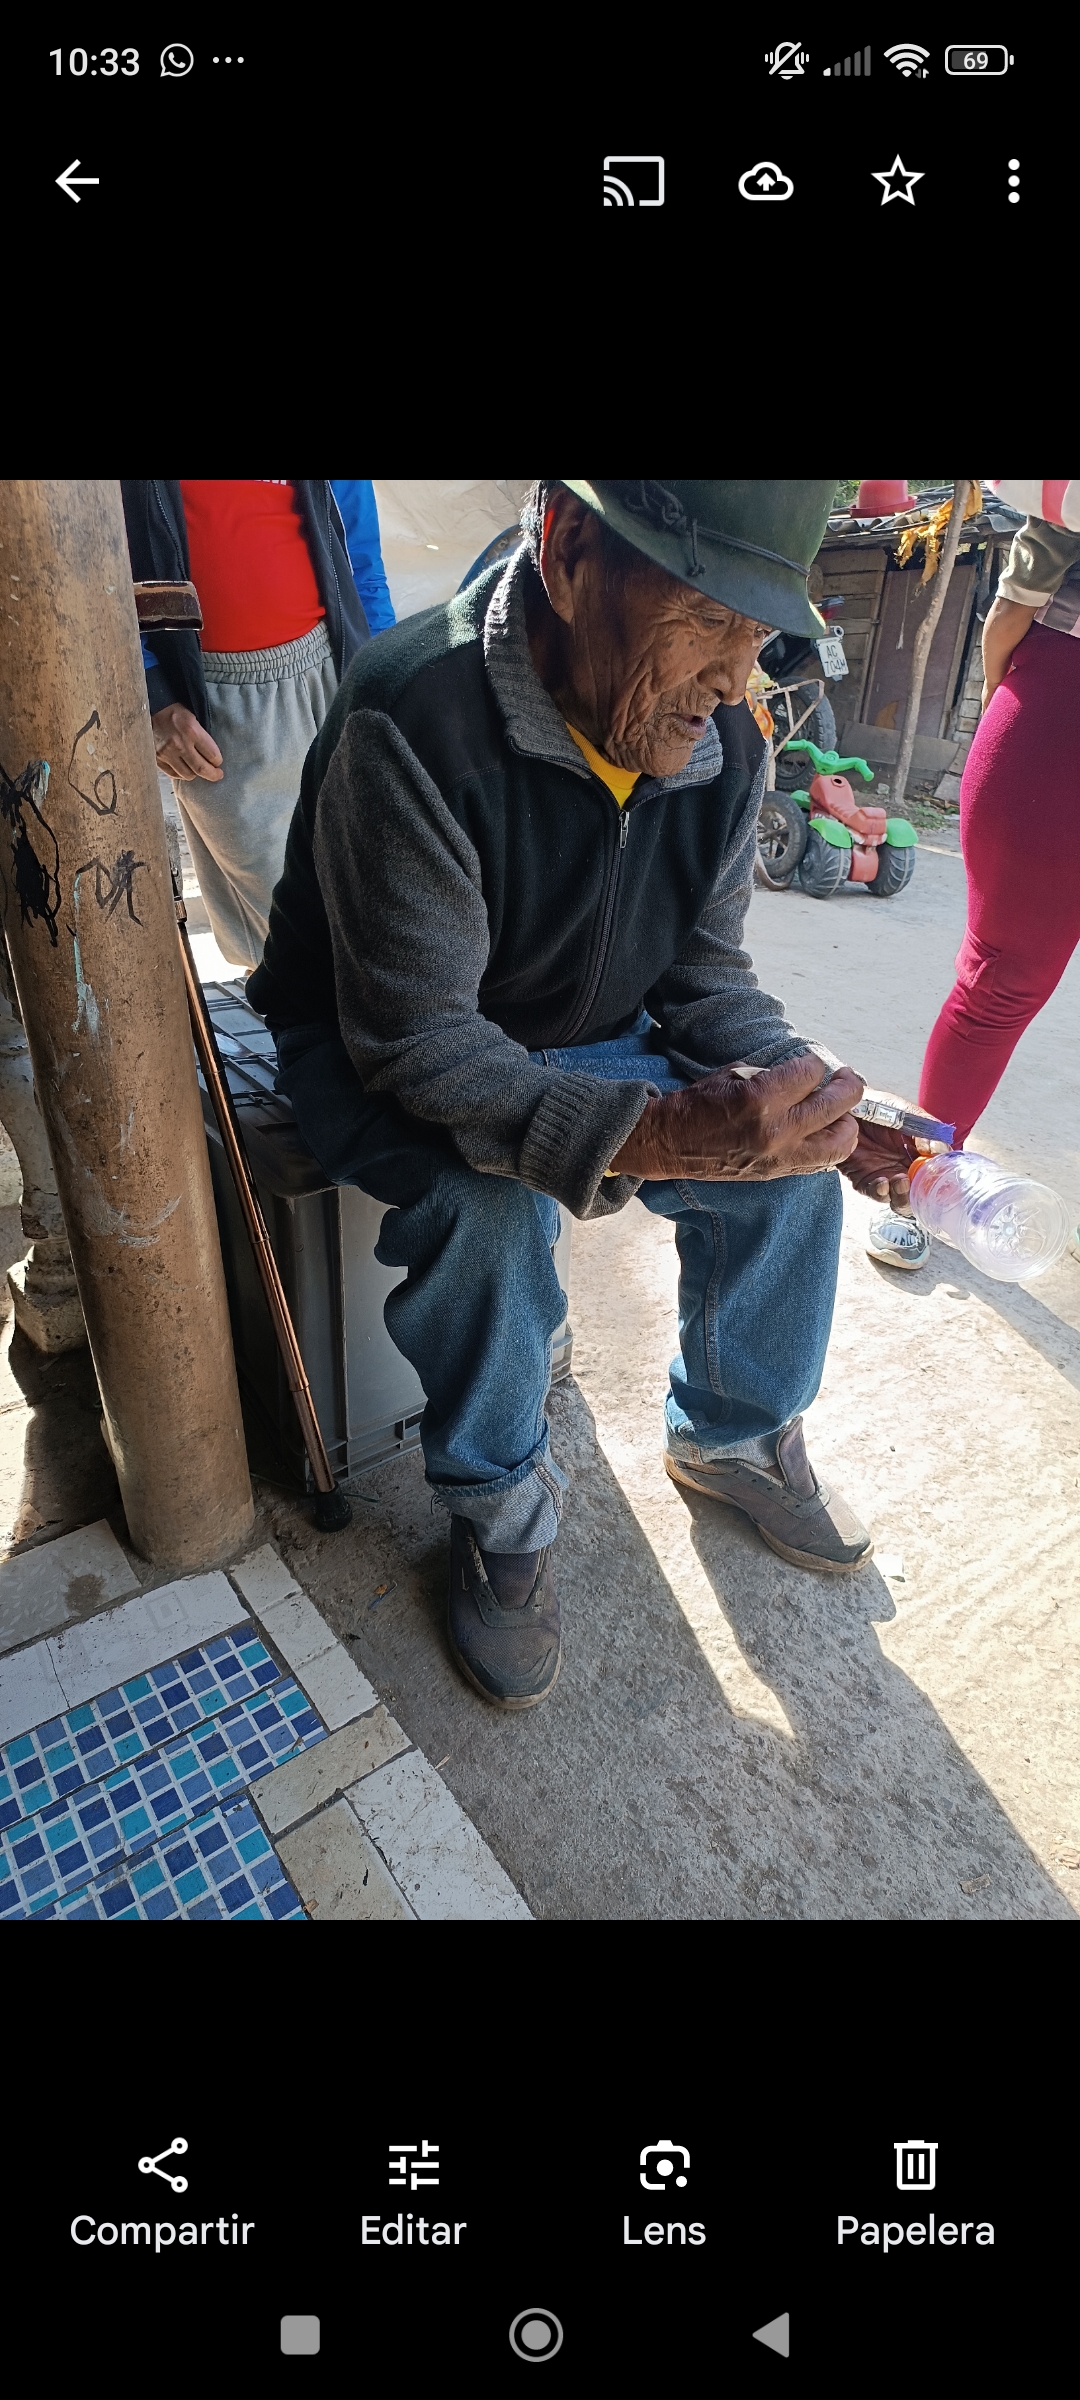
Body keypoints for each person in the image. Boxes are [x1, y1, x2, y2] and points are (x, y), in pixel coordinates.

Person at [249, 481, 901, 1710]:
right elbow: (424, 1044)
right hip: (379, 1044)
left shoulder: (726, 743)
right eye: (705, 616)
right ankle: (500, 1517)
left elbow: (705, 979)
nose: (732, 677)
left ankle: (733, 1435)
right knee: (486, 1213)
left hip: (587, 1027)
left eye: (757, 633)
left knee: (790, 1171)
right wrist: (661, 1134)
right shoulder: (414, 718)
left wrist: (800, 1096)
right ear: (567, 548)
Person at [121, 480, 394, 968]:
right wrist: (151, 692)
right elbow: (93, 565)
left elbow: (362, 561)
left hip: (335, 671)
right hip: (219, 702)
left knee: (379, 899)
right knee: (284, 937)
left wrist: (385, 677)